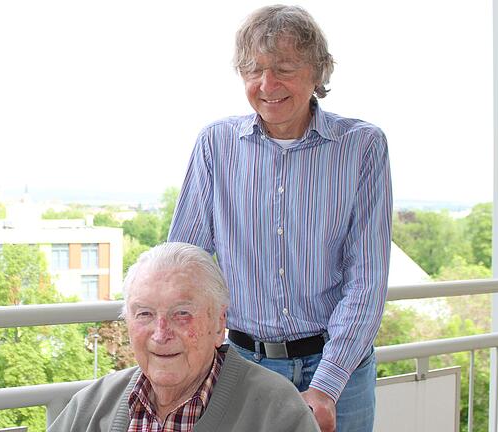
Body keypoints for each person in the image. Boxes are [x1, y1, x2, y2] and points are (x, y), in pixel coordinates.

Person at [168, 5, 392, 432]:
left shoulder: (362, 147)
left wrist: (327, 385)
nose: (267, 85)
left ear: (318, 73)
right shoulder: (216, 144)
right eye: (254, 70)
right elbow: (185, 263)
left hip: (338, 368)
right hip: (241, 366)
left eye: (284, 68)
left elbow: (367, 277)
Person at [50, 242, 320, 431]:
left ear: (218, 324)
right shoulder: (92, 407)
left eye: (181, 313)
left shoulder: (277, 412)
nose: (161, 333)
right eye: (144, 314)